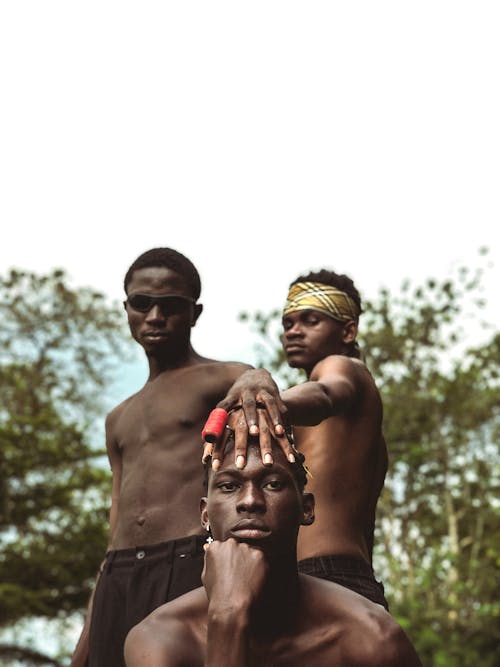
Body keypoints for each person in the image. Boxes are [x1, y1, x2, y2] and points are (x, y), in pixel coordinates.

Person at [70, 248, 252, 667]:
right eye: (141, 303)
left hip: (187, 559)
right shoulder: (118, 418)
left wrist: (256, 377)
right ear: (127, 308)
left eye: (170, 305)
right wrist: (88, 636)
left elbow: (257, 389)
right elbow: (115, 526)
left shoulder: (222, 378)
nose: (155, 316)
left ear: (195, 312)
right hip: (118, 572)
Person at [124, 436, 421, 666]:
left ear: (306, 509)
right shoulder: (160, 639)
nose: (250, 501)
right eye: (229, 487)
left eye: (273, 484)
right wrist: (228, 616)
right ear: (204, 515)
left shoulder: (371, 637)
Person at [206, 269, 390, 608]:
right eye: (288, 323)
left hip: (328, 575)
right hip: (334, 576)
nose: (294, 331)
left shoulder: (345, 369)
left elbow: (326, 393)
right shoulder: (355, 422)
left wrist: (263, 397)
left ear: (348, 330)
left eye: (310, 320)